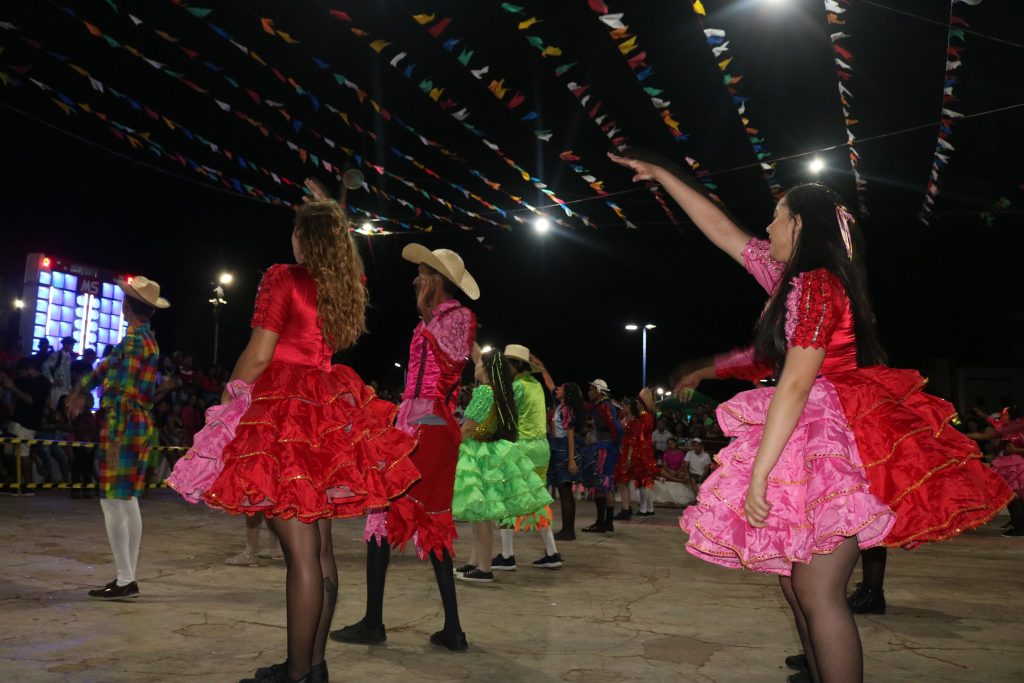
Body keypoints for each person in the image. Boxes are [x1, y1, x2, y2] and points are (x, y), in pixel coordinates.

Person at [611, 148, 1013, 683]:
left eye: (776, 217)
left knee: (819, 591)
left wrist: (759, 474)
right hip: (814, 424)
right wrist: (662, 174)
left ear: (799, 225)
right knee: (797, 582)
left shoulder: (816, 284)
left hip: (833, 431)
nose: (767, 228)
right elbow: (722, 231)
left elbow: (797, 383)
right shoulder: (791, 279)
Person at [168, 196, 420, 683]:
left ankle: (298, 673)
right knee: (320, 550)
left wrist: (228, 400)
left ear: (304, 238)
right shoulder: (341, 288)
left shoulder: (283, 277)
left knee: (301, 556)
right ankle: (312, 665)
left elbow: (260, 354)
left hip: (284, 410)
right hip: (325, 410)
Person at [331, 242, 478, 653]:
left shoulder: (459, 317)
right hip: (415, 424)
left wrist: (428, 319)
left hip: (429, 427)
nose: (415, 280)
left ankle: (375, 623)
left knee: (391, 511)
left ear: (437, 280)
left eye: (422, 274)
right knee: (419, 518)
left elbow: (451, 361)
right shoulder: (431, 321)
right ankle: (451, 629)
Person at [66, 276, 168, 603]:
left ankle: (125, 579)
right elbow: (104, 369)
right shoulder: (143, 340)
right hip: (138, 422)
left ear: (127, 306)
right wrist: (80, 389)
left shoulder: (135, 342)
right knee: (126, 499)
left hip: (123, 422)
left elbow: (122, 390)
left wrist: (112, 436)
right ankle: (127, 577)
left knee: (111, 499)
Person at [451, 347, 552, 583]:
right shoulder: (500, 390)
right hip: (489, 450)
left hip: (479, 452)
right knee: (478, 514)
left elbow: (469, 427)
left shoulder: (485, 391)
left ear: (486, 369)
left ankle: (484, 567)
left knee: (481, 515)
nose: (475, 365)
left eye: (478, 364)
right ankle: (475, 562)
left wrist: (451, 446)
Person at [492, 344, 562, 570]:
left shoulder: (517, 387)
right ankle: (552, 552)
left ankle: (507, 555)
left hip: (522, 448)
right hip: (541, 448)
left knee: (507, 497)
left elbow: (507, 420)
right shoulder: (536, 385)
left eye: (507, 365)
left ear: (516, 365)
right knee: (537, 498)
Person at [536, 360, 597, 541]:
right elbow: (549, 383)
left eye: (561, 388)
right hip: (559, 446)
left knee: (565, 491)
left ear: (567, 393)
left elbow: (570, 434)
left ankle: (568, 530)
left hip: (564, 448)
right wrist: (540, 366)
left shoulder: (567, 410)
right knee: (564, 491)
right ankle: (567, 529)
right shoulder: (561, 405)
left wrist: (571, 459)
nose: (558, 388)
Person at [2, 358, 52, 489]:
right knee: (14, 453)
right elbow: (13, 382)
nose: (21, 375)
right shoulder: (28, 381)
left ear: (30, 369)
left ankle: (27, 485)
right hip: (20, 421)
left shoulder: (42, 383)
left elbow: (31, 400)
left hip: (26, 422)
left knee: (23, 453)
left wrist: (13, 388)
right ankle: (17, 482)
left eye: (22, 372)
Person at [582, 379, 623, 533]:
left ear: (598, 391)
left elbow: (617, 427)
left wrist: (616, 444)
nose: (588, 392)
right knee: (604, 486)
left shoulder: (605, 406)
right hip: (605, 447)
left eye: (591, 389)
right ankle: (606, 523)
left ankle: (603, 523)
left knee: (602, 484)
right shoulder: (601, 405)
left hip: (606, 448)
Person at [614, 389, 660, 519]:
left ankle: (644, 509)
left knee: (643, 480)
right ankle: (648, 508)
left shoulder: (643, 416)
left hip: (641, 450)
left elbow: (640, 435)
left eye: (639, 403)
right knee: (645, 480)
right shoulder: (645, 415)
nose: (637, 405)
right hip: (642, 449)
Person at [41, 336, 76, 409]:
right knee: (54, 408)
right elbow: (45, 366)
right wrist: (52, 380)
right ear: (66, 345)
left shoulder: (68, 357)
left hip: (65, 388)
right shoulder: (57, 355)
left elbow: (67, 374)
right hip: (57, 388)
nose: (73, 347)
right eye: (72, 344)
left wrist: (69, 387)